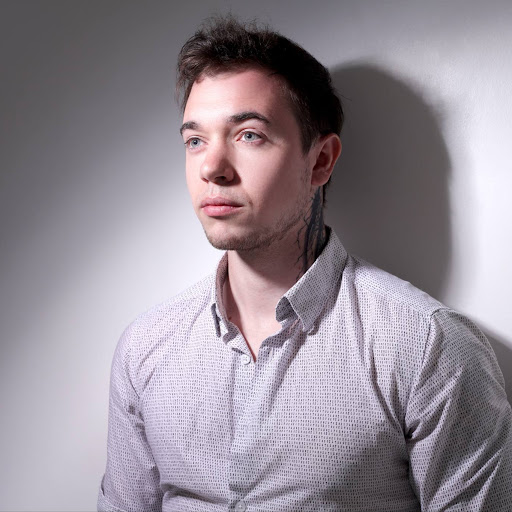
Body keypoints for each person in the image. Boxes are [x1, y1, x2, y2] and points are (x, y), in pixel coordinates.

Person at [98, 16, 512, 512]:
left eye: (249, 135)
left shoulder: (428, 348)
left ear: (320, 161)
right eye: (195, 141)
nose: (211, 168)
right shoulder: (145, 348)